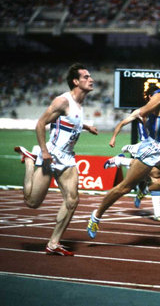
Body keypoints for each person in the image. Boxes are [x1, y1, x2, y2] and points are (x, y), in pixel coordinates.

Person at [87, 64, 160, 239]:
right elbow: (143, 111)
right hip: (151, 150)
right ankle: (96, 215)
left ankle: (147, 187)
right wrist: (144, 115)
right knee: (124, 187)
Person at [14, 63, 98, 256]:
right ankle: (29, 160)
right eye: (86, 77)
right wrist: (43, 151)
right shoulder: (63, 101)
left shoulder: (79, 104)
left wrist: (86, 127)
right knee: (32, 202)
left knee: (72, 200)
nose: (91, 79)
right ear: (76, 81)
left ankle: (53, 243)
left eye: (90, 76)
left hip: (67, 159)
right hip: (51, 155)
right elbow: (40, 123)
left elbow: (71, 120)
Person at [103, 83, 160, 222]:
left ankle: (141, 187)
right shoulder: (141, 111)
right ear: (151, 97)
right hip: (145, 146)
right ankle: (157, 211)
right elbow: (122, 123)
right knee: (151, 177)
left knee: (153, 175)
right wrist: (113, 137)